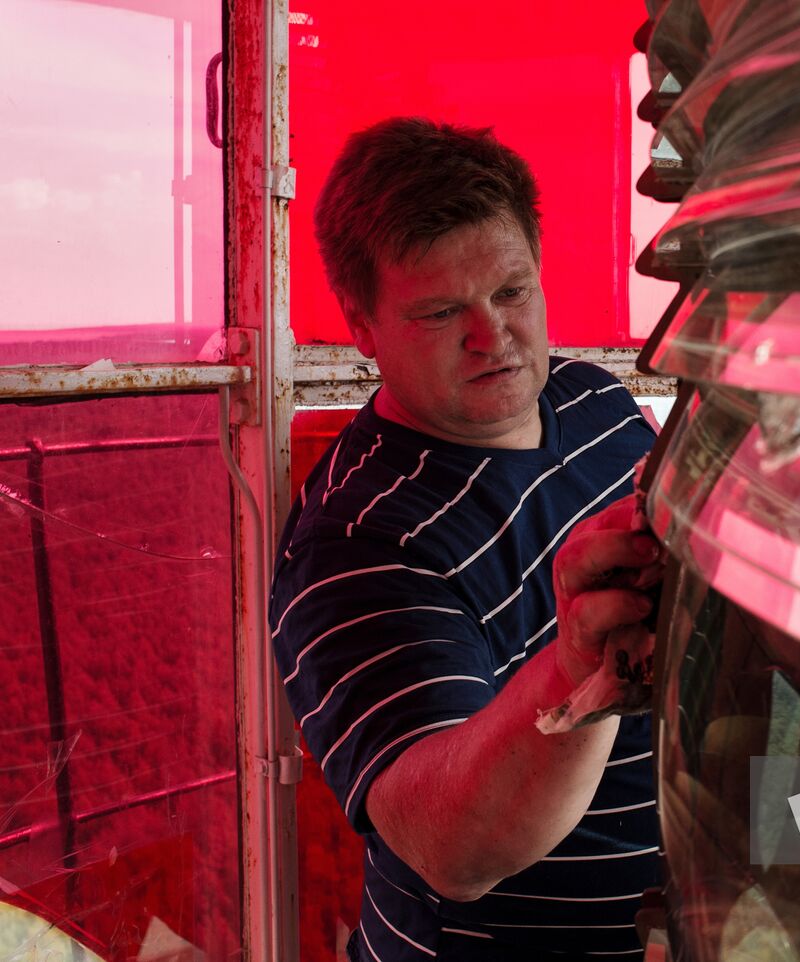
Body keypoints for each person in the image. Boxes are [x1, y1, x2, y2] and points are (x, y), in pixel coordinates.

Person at [269, 118, 663, 962]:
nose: (494, 337)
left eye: (512, 292)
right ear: (363, 325)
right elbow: (454, 847)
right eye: (443, 311)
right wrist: (582, 662)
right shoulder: (355, 539)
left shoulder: (596, 403)